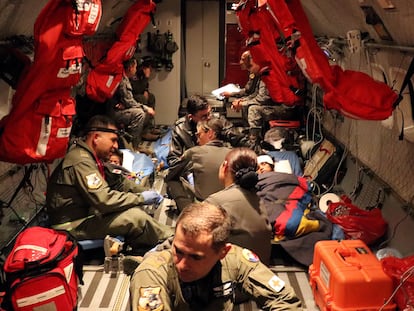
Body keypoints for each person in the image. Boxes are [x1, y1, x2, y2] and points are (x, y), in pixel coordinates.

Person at [129, 202, 302, 311]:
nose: (182, 264)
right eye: (178, 251)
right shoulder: (151, 272)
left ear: (222, 253)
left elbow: (285, 300)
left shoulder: (235, 258)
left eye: (195, 257)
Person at [45, 115, 174, 254]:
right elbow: (104, 200)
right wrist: (141, 198)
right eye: (113, 140)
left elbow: (119, 182)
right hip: (72, 225)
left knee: (131, 210)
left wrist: (146, 192)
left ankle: (145, 249)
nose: (116, 146)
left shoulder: (91, 157)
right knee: (135, 217)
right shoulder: (81, 161)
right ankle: (172, 238)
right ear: (96, 138)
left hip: (87, 214)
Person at [204, 148, 272, 264]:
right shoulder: (259, 198)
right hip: (261, 268)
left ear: (224, 166)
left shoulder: (215, 201)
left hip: (232, 272)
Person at [230, 56, 296, 141]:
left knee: (254, 109)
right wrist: (242, 101)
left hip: (286, 109)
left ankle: (254, 141)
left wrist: (242, 103)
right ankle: (250, 133)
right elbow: (255, 94)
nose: (250, 70)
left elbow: (263, 98)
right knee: (248, 105)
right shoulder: (262, 75)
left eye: (251, 66)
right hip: (274, 105)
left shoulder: (268, 75)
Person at [172, 118, 232, 201]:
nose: (197, 140)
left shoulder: (194, 153)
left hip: (203, 205)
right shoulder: (233, 154)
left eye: (199, 135)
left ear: (211, 133)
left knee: (172, 181)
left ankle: (186, 209)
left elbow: (172, 174)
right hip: (228, 204)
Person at [108, 58, 158, 151]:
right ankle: (133, 147)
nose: (136, 69)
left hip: (116, 108)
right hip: (113, 112)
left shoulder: (123, 77)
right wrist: (146, 108)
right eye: (135, 67)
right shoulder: (123, 79)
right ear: (130, 68)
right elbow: (129, 101)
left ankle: (138, 139)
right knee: (139, 114)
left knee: (142, 106)